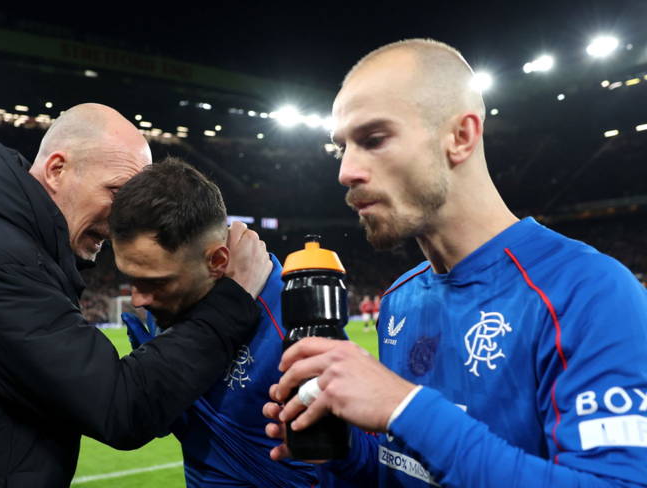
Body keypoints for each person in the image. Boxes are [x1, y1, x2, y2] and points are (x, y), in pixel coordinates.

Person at [264, 39, 647, 487]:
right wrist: (346, 451)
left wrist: (407, 408)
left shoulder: (588, 292)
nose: (346, 171)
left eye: (373, 139)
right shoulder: (400, 301)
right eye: (341, 148)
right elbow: (413, 472)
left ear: (461, 137)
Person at [0, 103, 272, 487]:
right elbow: (122, 406)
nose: (127, 216)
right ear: (56, 170)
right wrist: (232, 299)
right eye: (118, 193)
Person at [112, 158, 318, 487]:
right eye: (131, 279)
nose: (138, 299)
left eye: (156, 282)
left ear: (217, 261)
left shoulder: (299, 323)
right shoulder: (161, 309)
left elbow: (343, 463)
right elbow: (165, 420)